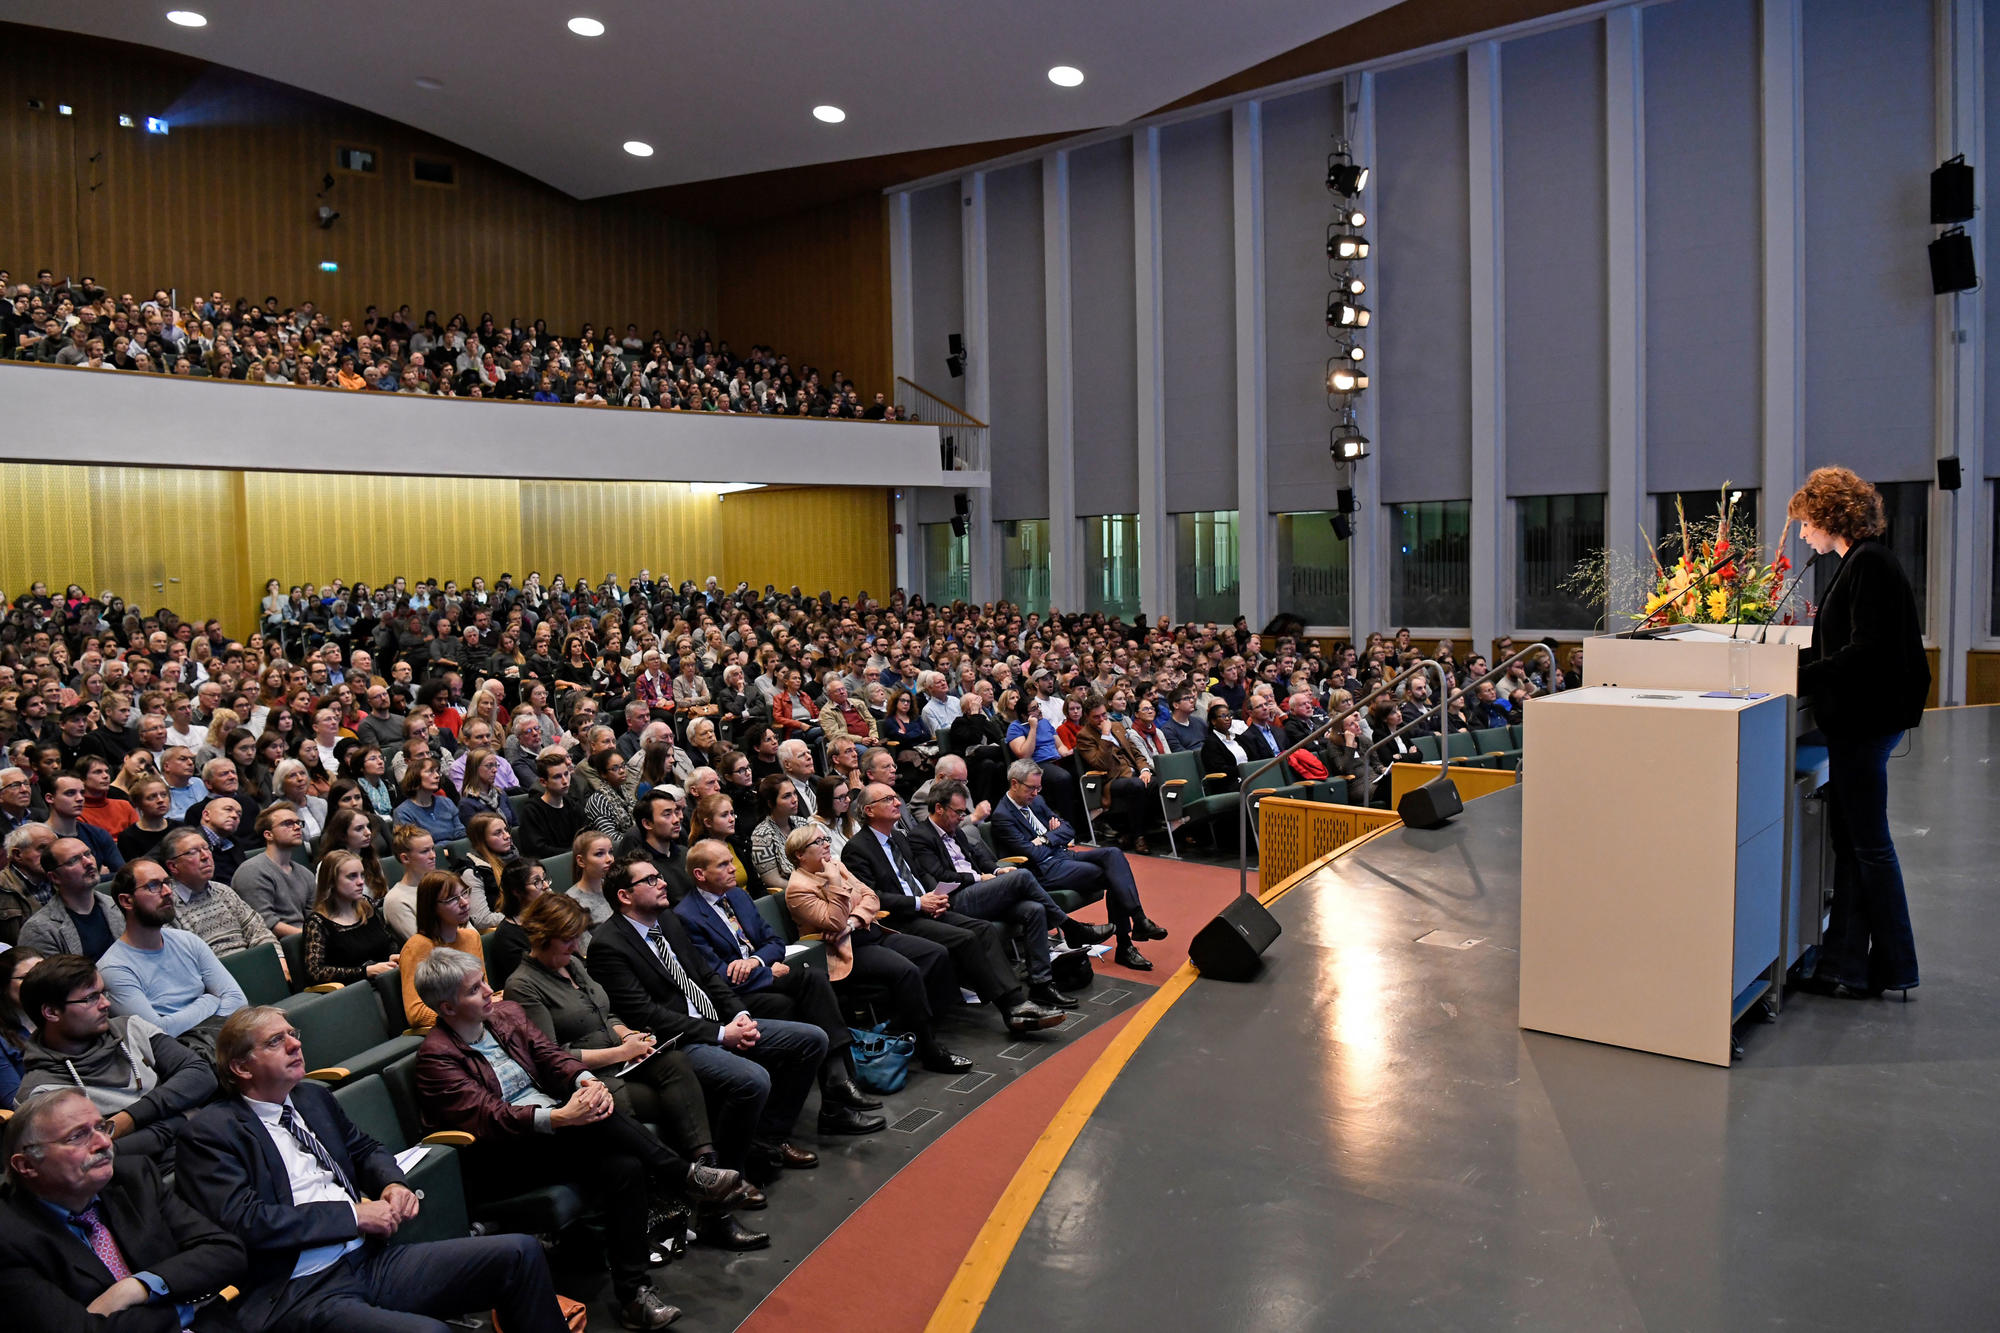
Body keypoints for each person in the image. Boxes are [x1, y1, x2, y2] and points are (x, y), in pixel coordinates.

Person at [176, 1005, 575, 1333]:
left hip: (370, 1261)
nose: (296, 1043)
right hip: (300, 1287)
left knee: (519, 1253)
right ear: (242, 1068)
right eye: (276, 1041)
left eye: (293, 1033)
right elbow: (248, 1222)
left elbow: (365, 1149)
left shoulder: (312, 1097)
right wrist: (353, 1215)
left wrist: (392, 1184)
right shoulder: (211, 1133)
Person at [411, 949, 740, 1329]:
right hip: (503, 1155)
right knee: (596, 1120)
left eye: (484, 980)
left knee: (626, 1165)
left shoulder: (507, 1016)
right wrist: (559, 1116)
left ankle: (634, 1295)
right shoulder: (436, 1058)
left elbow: (551, 1056)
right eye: (474, 989)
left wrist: (587, 1082)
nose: (489, 991)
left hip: (552, 1136)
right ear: (447, 1008)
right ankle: (686, 1176)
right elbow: (488, 1116)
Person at [503, 892, 769, 1252]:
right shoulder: (523, 985)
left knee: (675, 1062)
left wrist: (630, 1035)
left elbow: (605, 1013)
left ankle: (705, 1176)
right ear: (543, 937)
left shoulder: (572, 964)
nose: (576, 945)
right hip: (588, 1080)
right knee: (669, 1103)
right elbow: (551, 1057)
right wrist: (620, 1050)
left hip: (623, 1060)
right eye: (569, 939)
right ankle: (700, 1202)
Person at [585, 855, 830, 1183]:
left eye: (660, 876)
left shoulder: (668, 921)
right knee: (753, 1079)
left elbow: (706, 975)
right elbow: (645, 1013)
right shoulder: (608, 945)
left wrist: (739, 1015)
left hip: (716, 1021)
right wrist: (719, 1033)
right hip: (677, 1041)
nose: (663, 883)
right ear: (625, 896)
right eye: (650, 880)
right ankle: (731, 1176)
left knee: (812, 1040)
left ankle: (769, 1139)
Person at [1788, 466, 1931, 999]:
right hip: (1864, 719)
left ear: (1828, 516)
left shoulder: (1868, 563)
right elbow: (1844, 643)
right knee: (1852, 843)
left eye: (1806, 522)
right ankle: (1843, 966)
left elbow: (1865, 649)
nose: (1803, 533)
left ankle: (1894, 966)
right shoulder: (1862, 563)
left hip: (1867, 721)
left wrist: (1799, 675)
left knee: (1869, 846)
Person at [672, 839, 884, 1130]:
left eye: (730, 861)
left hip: (760, 976)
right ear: (700, 875)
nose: (733, 868)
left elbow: (774, 942)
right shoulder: (686, 916)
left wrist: (757, 962)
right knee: (796, 1002)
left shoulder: (738, 896)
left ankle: (836, 1085)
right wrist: (770, 973)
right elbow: (719, 976)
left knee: (814, 978)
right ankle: (837, 1094)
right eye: (722, 864)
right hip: (733, 1000)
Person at [0, 1088, 247, 1331]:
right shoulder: (9, 1236)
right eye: (77, 1136)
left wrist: (139, 1286)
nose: (104, 1142)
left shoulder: (133, 1178)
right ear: (27, 1165)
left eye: (101, 1127)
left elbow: (226, 1251)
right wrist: (184, 1309)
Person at [840, 782, 1066, 1033]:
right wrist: (918, 903)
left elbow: (920, 874)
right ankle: (1011, 1008)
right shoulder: (857, 849)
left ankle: (1016, 1001)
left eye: (896, 798)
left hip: (926, 906)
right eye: (888, 800)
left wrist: (935, 896)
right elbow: (873, 897)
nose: (897, 803)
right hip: (897, 920)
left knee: (983, 929)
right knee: (966, 937)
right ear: (869, 811)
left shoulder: (899, 839)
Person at [906, 777, 1113, 1010]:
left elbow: (979, 856)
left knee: (1033, 910)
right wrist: (979, 877)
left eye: (964, 813)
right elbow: (938, 875)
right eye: (957, 812)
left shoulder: (954, 829)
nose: (962, 818)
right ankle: (1071, 927)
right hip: (956, 898)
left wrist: (996, 868)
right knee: (1022, 876)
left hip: (981, 891)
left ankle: (1041, 984)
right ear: (938, 808)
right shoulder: (920, 837)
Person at [784, 824, 972, 1073]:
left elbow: (871, 897)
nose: (827, 844)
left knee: (935, 953)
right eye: (818, 842)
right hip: (844, 950)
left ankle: (904, 1027)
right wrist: (835, 885)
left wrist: (853, 921)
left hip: (866, 932)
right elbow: (833, 923)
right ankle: (929, 1050)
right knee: (907, 971)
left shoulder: (836, 865)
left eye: (826, 839)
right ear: (800, 854)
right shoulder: (798, 888)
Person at [16, 952, 219, 1168]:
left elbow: (201, 1075)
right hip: (143, 1180)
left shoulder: (132, 1028)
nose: (105, 1004)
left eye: (103, 993)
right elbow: (94, 1156)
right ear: (52, 1012)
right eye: (90, 998)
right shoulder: (40, 1092)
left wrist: (128, 1119)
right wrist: (181, 1118)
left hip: (203, 1146)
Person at [990, 760, 1166, 971]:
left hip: (1063, 856)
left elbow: (1068, 829)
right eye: (1031, 788)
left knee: (1113, 854)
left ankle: (1138, 921)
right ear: (1015, 784)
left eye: (1039, 787)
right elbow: (1032, 854)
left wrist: (1046, 838)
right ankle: (1128, 940)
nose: (1036, 793)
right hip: (1044, 871)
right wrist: (1052, 837)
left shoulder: (1036, 802)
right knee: (1113, 876)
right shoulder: (1003, 816)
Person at [97, 858, 248, 1054]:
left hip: (219, 1043)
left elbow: (237, 999)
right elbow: (158, 1032)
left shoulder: (187, 940)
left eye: (167, 883)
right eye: (153, 886)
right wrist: (209, 1000)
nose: (168, 892)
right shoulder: (114, 968)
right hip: (184, 1056)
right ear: (127, 900)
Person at [157, 826, 277, 961]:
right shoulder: (167, 905)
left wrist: (278, 959)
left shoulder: (223, 891)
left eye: (207, 848)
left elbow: (258, 930)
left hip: (252, 966)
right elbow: (186, 961)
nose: (205, 856)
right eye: (193, 852)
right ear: (173, 866)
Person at [397, 872, 482, 1033]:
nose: (464, 903)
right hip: (451, 1031)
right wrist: (468, 1013)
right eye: (452, 899)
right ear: (432, 908)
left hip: (476, 1022)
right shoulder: (417, 947)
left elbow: (480, 990)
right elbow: (416, 1013)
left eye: (464, 893)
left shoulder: (472, 937)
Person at [303, 851, 400, 986]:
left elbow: (389, 940)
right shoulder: (317, 922)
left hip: (387, 979)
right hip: (356, 990)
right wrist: (365, 971)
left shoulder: (367, 905)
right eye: (352, 876)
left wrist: (393, 955)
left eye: (362, 875)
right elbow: (316, 972)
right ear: (331, 881)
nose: (361, 882)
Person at [19, 836, 124, 959]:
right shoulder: (39, 929)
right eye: (74, 860)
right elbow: (53, 977)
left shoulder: (118, 906)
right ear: (55, 877)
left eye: (88, 854)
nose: (88, 862)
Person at [230, 802, 317, 939]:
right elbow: (265, 924)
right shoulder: (252, 871)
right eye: (288, 823)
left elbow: (313, 916)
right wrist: (312, 936)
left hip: (306, 941)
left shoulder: (305, 874)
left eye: (298, 823)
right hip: (276, 945)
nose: (296, 828)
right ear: (268, 835)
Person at [482, 858, 547, 994]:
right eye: (537, 882)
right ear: (517, 891)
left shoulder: (550, 916)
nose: (545, 885)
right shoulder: (507, 936)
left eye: (544, 879)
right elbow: (532, 981)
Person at [518, 748, 586, 857]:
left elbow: (585, 835)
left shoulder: (571, 804)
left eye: (566, 774)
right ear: (543, 782)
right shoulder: (532, 811)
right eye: (557, 777)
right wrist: (573, 853)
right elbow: (538, 849)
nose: (565, 781)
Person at [457, 811, 515, 929]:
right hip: (503, 930)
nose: (507, 836)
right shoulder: (472, 872)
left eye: (506, 829)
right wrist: (523, 915)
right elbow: (481, 919)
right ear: (482, 840)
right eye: (498, 833)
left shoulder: (514, 857)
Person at [381, 824, 436, 941]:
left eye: (433, 849)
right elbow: (423, 945)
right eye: (425, 851)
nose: (433, 855)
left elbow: (469, 930)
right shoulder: (396, 900)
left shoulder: (441, 884)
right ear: (405, 858)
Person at [391, 758, 464, 844]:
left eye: (437, 772)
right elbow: (412, 845)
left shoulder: (446, 802)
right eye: (430, 772)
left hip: (455, 853)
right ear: (415, 777)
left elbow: (461, 833)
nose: (437, 775)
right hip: (429, 855)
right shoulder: (403, 812)